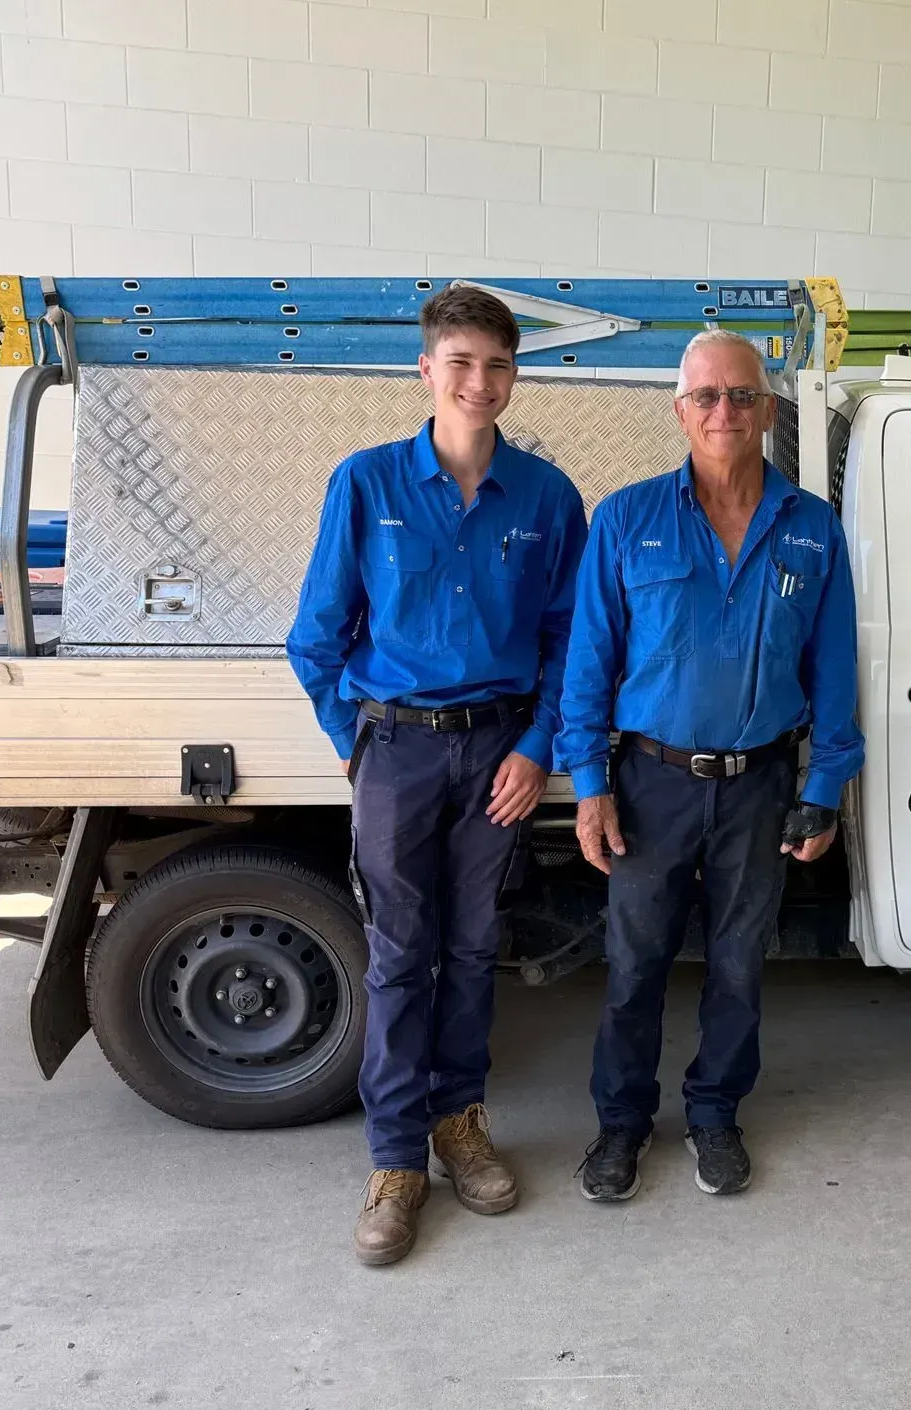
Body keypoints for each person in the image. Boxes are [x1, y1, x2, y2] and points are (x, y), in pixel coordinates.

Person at [287, 284, 587, 1265]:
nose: (481, 381)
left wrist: (538, 745)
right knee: (398, 956)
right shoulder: (366, 485)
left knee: (469, 952)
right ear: (426, 370)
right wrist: (354, 739)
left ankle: (460, 1128)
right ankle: (394, 1163)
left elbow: (568, 643)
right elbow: (315, 638)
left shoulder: (547, 499)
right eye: (461, 362)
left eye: (498, 364)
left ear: (514, 375)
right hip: (399, 754)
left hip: (497, 754)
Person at [557, 328, 863, 1201]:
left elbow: (832, 672)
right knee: (635, 965)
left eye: (740, 395)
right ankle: (621, 1126)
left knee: (738, 964)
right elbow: (587, 665)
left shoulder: (812, 530)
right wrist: (590, 786)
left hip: (762, 785)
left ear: (767, 409)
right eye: (706, 397)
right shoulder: (626, 520)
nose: (723, 410)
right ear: (680, 410)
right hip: (650, 783)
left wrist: (821, 790)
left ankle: (715, 1114)